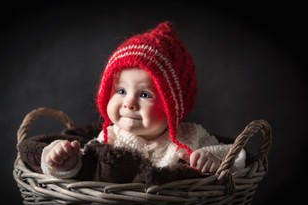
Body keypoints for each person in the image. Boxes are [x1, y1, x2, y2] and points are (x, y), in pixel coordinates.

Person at [21, 21, 246, 182]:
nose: (129, 103)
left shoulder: (191, 136)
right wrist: (64, 161)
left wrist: (214, 161)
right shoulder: (111, 136)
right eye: (120, 90)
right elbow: (84, 167)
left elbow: (236, 155)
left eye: (145, 95)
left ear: (172, 108)